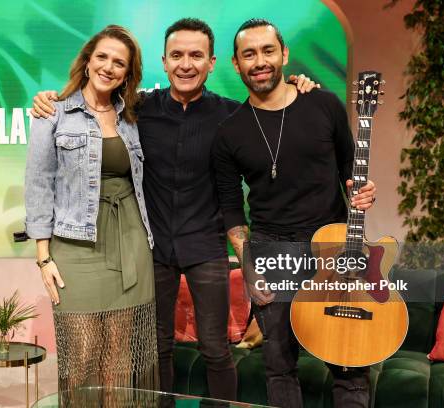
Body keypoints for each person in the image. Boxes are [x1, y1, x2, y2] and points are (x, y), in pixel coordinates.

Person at [31, 18, 317, 401]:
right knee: (156, 349)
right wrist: (48, 98)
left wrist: (301, 85)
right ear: (163, 63)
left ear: (212, 62)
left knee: (216, 350)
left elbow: (277, 108)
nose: (186, 64)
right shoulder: (137, 110)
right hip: (152, 248)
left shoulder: (232, 115)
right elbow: (86, 113)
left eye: (196, 56)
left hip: (208, 248)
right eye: (177, 55)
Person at [212, 19, 376, 408]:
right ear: (236, 64)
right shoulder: (228, 134)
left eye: (268, 50)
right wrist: (250, 274)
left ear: (284, 54)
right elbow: (233, 213)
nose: (260, 61)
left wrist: (363, 191)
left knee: (350, 366)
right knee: (279, 366)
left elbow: (352, 173)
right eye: (249, 54)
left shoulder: (324, 104)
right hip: (272, 253)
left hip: (335, 248)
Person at [24, 25, 157, 405]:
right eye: (103, 57)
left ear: (128, 74)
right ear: (87, 62)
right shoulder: (52, 113)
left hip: (131, 243)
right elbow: (38, 185)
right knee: (81, 359)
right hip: (74, 247)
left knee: (121, 362)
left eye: (120, 63)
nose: (109, 67)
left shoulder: (133, 115)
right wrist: (43, 256)